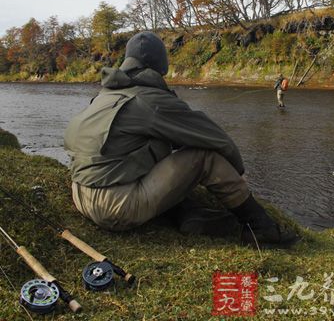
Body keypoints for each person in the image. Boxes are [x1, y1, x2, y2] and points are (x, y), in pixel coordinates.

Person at [64, 32, 298, 249]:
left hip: (81, 195)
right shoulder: (150, 99)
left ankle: (186, 214)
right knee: (205, 156)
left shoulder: (105, 95)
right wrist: (237, 172)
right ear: (160, 65)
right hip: (114, 208)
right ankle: (260, 227)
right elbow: (216, 138)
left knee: (160, 145)